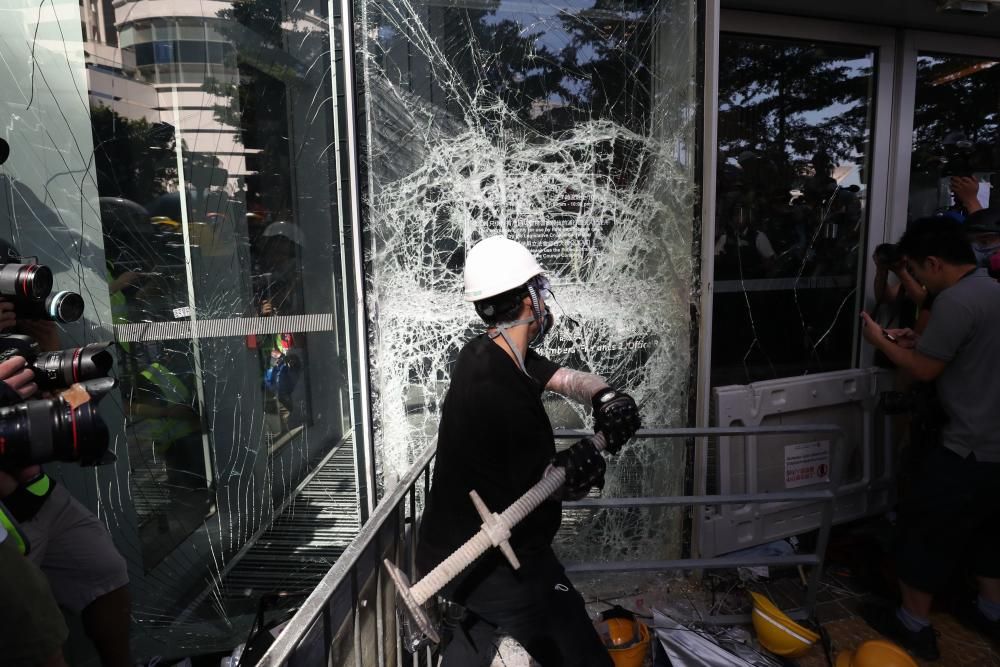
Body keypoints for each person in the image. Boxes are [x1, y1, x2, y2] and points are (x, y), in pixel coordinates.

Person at [416, 236, 642, 666]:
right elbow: (548, 489)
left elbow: (564, 377)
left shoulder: (484, 354)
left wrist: (605, 397)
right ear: (526, 300)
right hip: (493, 560)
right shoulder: (502, 395)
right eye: (539, 289)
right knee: (579, 650)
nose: (545, 300)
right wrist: (581, 468)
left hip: (451, 551)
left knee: (476, 634)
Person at [860, 217, 1000, 661]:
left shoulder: (956, 302)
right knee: (988, 533)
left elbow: (922, 370)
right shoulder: (992, 290)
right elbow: (965, 351)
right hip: (997, 444)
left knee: (925, 529)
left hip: (967, 443)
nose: (916, 280)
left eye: (917, 272)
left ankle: (913, 625)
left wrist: (881, 341)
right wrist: (917, 339)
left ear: (934, 262)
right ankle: (990, 611)